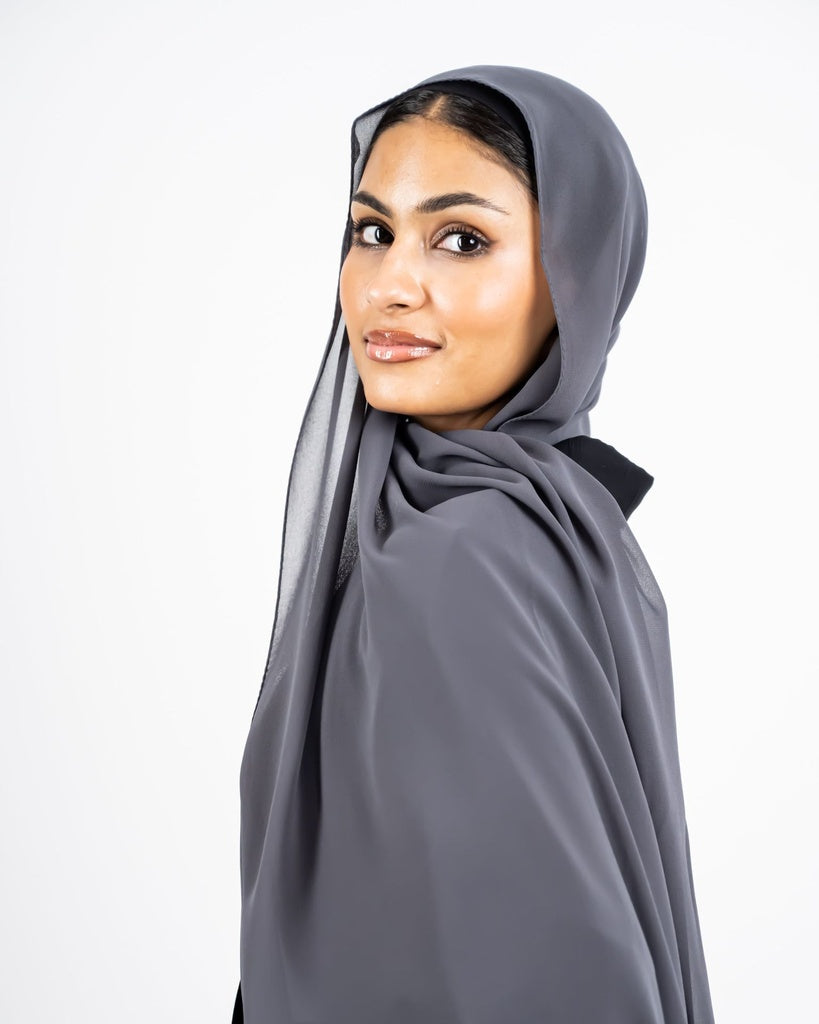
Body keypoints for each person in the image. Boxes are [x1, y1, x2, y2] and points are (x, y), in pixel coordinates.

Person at [232, 65, 715, 1023]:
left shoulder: (461, 552)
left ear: (575, 277)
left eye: (460, 240)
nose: (388, 286)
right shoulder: (558, 516)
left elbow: (555, 963)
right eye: (372, 232)